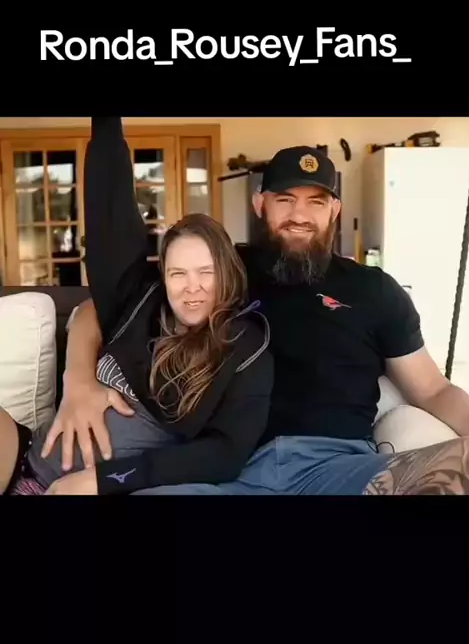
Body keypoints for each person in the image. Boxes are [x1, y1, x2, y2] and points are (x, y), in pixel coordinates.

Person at [30, 143, 469, 496]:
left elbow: (434, 389)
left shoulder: (375, 290)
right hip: (228, 470)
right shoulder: (219, 271)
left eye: (316, 201)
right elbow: (98, 308)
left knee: (466, 464)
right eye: (285, 199)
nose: (299, 215)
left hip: (339, 469)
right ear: (260, 203)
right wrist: (78, 382)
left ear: (335, 209)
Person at [0, 117, 273, 496]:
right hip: (26, 452)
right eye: (178, 273)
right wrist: (78, 380)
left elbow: (224, 455)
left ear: (227, 273)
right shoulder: (141, 303)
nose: (192, 288)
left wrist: (100, 480)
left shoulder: (244, 347)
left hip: (82, 487)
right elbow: (109, 213)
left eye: (206, 272)